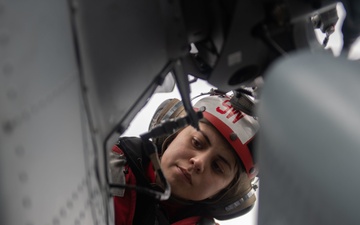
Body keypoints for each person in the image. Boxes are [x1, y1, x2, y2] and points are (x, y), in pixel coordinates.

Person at [109, 92, 260, 225]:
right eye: (197, 142)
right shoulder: (102, 165)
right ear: (173, 135)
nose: (198, 162)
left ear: (223, 192)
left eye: (217, 167)